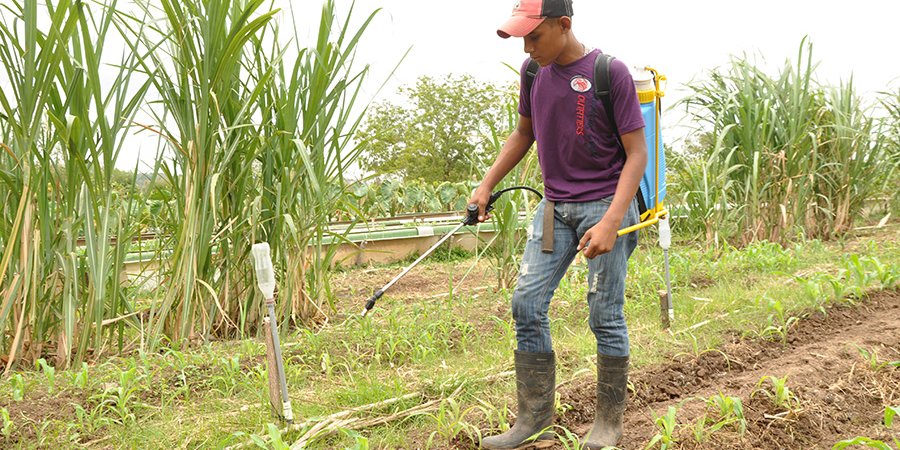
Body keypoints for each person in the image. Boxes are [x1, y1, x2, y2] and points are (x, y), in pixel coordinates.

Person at [470, 0, 648, 448]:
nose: (527, 49)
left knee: (603, 314)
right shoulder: (533, 74)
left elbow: (637, 154)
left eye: (534, 36)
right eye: (522, 39)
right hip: (555, 208)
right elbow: (523, 133)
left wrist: (611, 222)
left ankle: (608, 424)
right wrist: (486, 184)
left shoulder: (611, 73)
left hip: (607, 204)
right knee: (526, 304)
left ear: (564, 24)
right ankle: (533, 421)